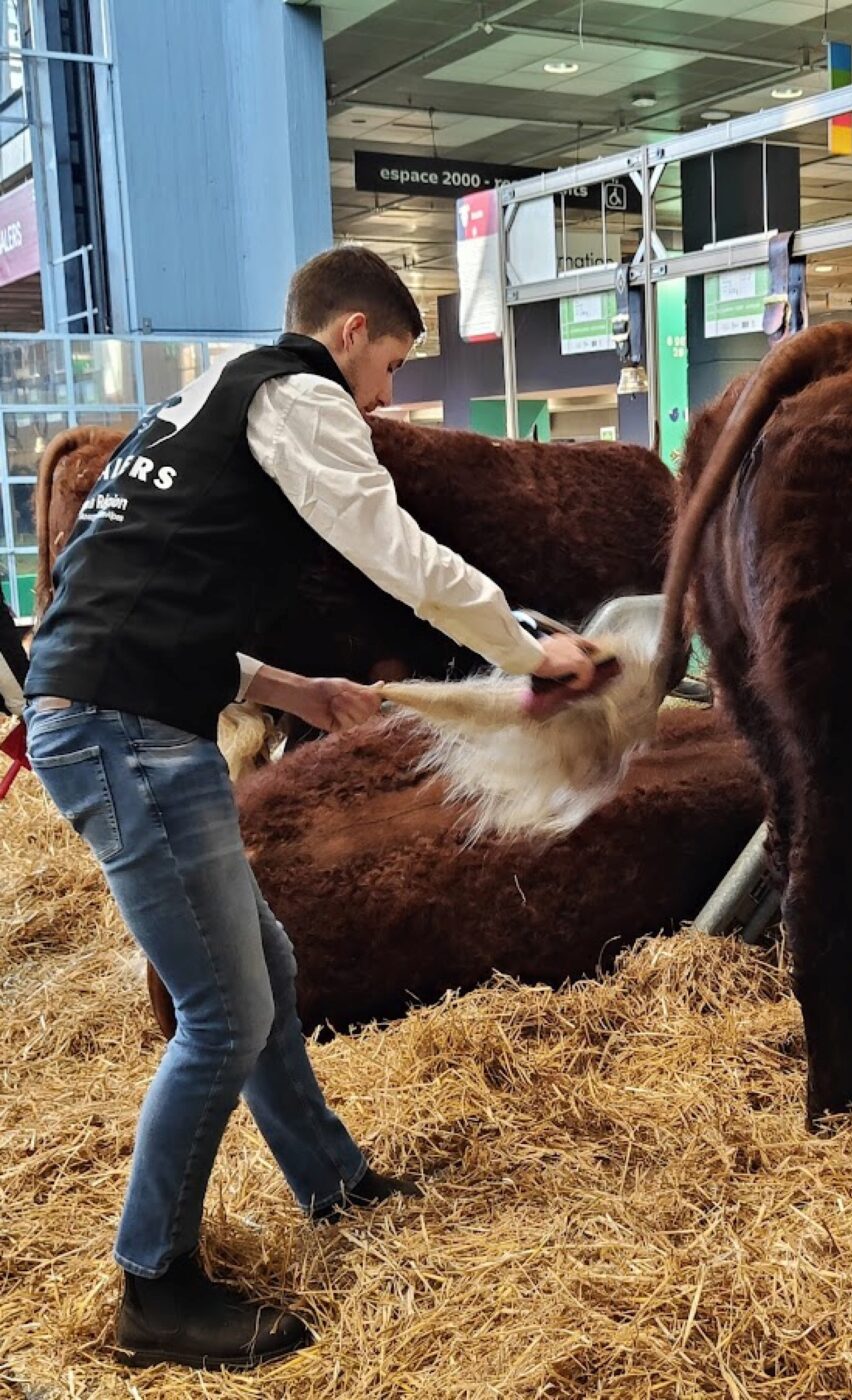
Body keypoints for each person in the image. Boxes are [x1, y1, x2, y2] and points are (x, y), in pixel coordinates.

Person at [21, 246, 596, 1372]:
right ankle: (155, 1285)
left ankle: (329, 1178)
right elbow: (403, 562)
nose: (386, 397)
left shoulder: (202, 401)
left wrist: (289, 689)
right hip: (125, 728)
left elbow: (156, 591)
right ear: (347, 335)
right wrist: (530, 650)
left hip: (119, 707)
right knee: (222, 1014)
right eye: (389, 366)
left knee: (265, 973)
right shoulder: (302, 398)